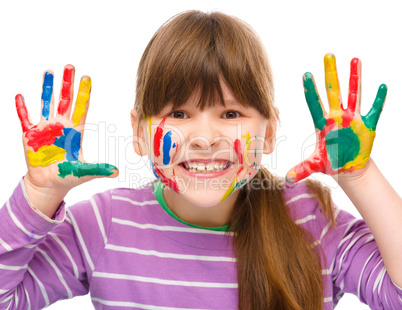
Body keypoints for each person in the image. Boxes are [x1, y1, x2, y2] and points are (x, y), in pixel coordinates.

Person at [0, 10, 401, 310]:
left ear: (270, 130)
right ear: (139, 132)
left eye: (230, 114)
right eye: (178, 114)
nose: (206, 139)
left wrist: (361, 176)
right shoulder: (104, 224)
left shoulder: (313, 221)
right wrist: (39, 192)